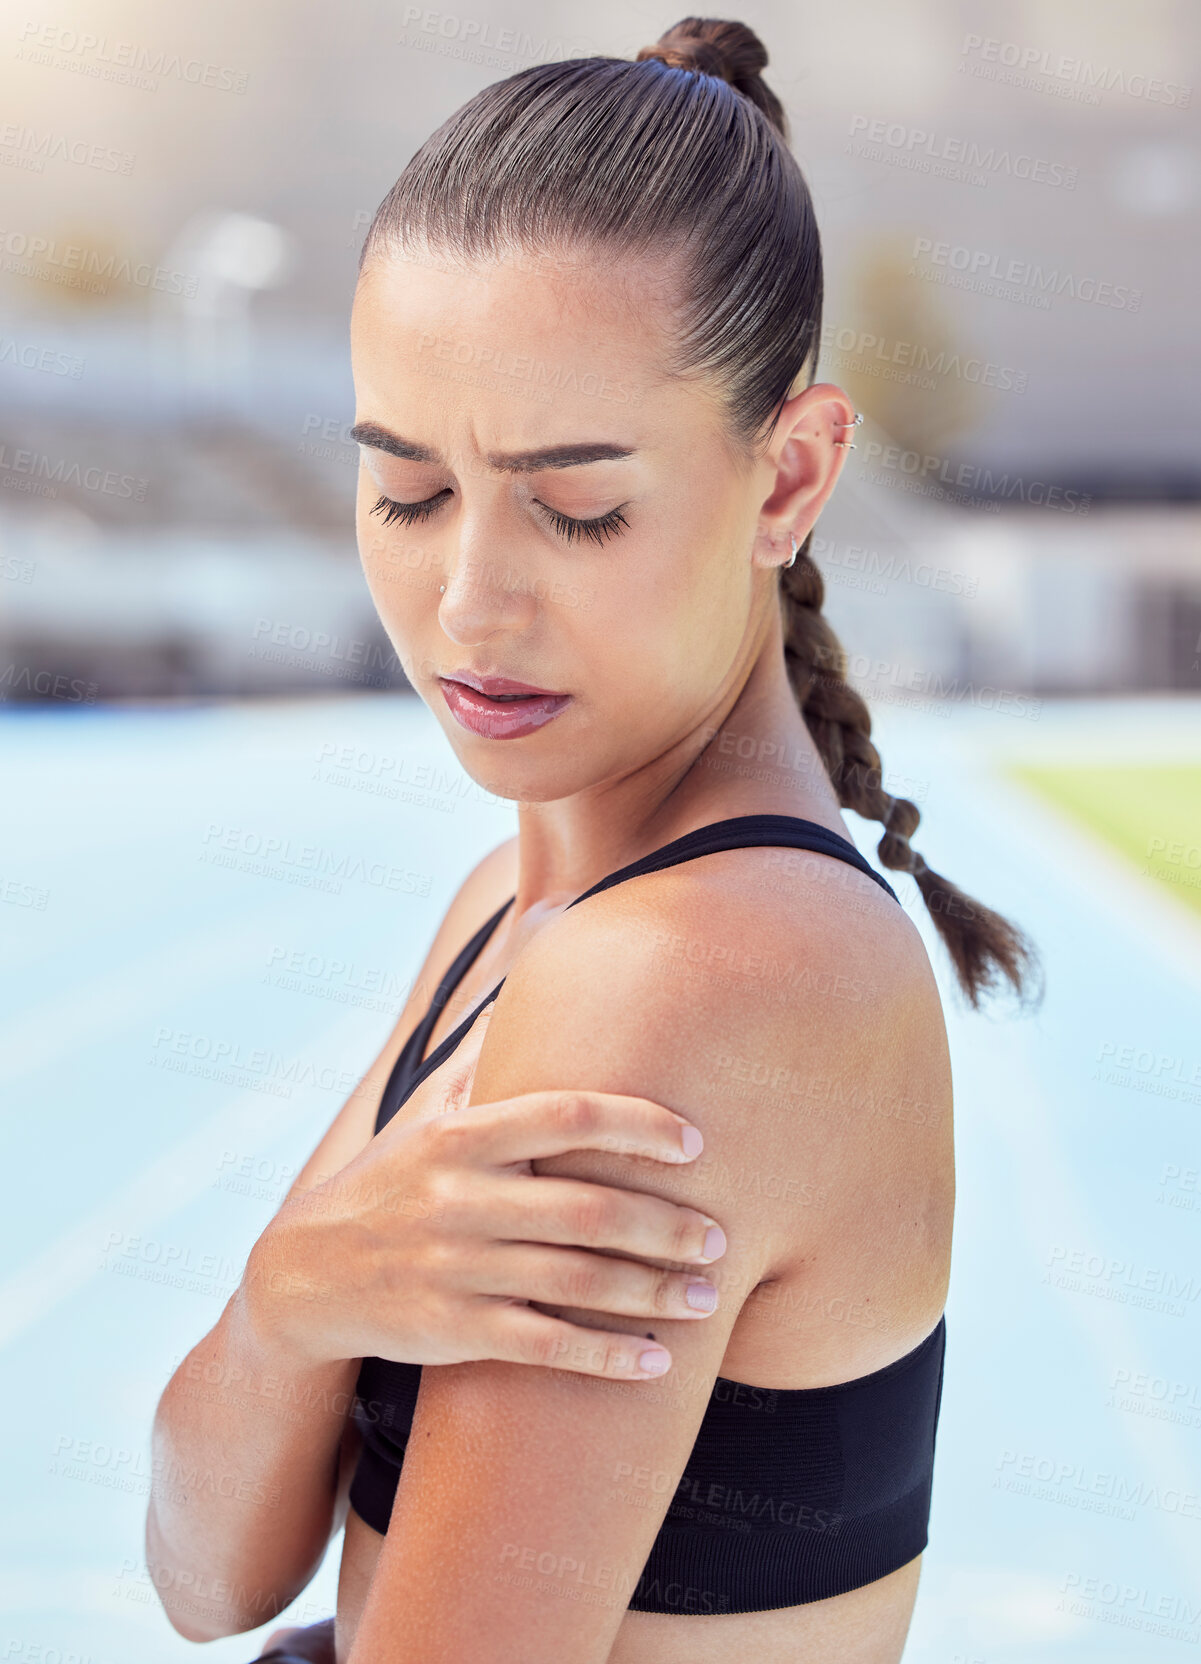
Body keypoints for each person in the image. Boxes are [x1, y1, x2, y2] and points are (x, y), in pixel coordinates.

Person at [146, 17, 1039, 1664]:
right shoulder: (516, 903)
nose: (466, 603)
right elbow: (205, 1573)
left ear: (789, 475)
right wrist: (293, 1299)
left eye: (575, 505)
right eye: (406, 492)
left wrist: (296, 1302)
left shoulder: (689, 979)